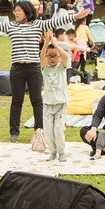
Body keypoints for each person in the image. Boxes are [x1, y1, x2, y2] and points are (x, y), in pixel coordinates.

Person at [0, 0, 92, 143]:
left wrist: (75, 17)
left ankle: (40, 130)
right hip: (17, 68)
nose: (15, 13)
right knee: (16, 101)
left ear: (26, 11)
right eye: (15, 10)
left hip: (34, 68)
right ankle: (14, 133)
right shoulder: (11, 26)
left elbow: (55, 21)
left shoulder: (37, 25)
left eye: (18, 10)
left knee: (36, 100)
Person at [40, 31, 69, 162]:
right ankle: (53, 151)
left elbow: (65, 55)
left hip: (60, 104)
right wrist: (46, 42)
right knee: (48, 131)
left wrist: (54, 43)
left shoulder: (61, 68)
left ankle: (61, 152)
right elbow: (41, 56)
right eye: (50, 56)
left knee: (58, 130)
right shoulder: (45, 69)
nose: (52, 58)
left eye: (55, 56)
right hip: (47, 104)